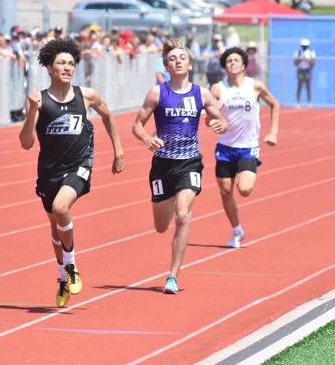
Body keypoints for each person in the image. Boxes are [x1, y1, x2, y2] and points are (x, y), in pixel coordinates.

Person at [19, 38, 125, 307]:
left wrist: (118, 151)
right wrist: (31, 112)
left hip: (79, 166)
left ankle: (71, 265)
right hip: (48, 172)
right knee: (55, 229)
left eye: (70, 63)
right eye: (61, 63)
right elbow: (26, 143)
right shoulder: (39, 101)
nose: (67, 67)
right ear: (49, 68)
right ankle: (62, 277)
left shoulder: (86, 96)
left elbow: (108, 116)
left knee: (61, 207)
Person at [131, 40, 227, 294]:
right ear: (166, 65)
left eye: (182, 57)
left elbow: (220, 120)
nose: (178, 61)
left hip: (189, 162)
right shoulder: (157, 93)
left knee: (184, 215)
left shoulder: (201, 93)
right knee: (161, 226)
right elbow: (137, 125)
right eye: (172, 58)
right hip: (162, 164)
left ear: (190, 63)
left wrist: (220, 125)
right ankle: (171, 199)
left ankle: (172, 276)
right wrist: (147, 139)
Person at [210, 47, 279, 248]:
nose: (232, 63)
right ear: (225, 65)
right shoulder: (218, 88)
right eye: (229, 60)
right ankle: (237, 230)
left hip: (248, 146)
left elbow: (275, 104)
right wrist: (215, 121)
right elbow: (209, 117)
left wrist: (273, 132)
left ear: (243, 65)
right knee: (225, 192)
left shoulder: (255, 86)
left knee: (245, 189)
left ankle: (244, 171)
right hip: (224, 147)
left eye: (236, 60)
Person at [293, 38, 316, 108]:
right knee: (299, 87)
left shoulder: (311, 52)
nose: (304, 47)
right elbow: (295, 63)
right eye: (303, 46)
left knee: (308, 87)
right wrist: (300, 59)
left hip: (308, 70)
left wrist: (307, 59)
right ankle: (298, 103)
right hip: (300, 70)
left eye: (305, 46)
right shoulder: (298, 52)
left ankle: (309, 103)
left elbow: (313, 63)